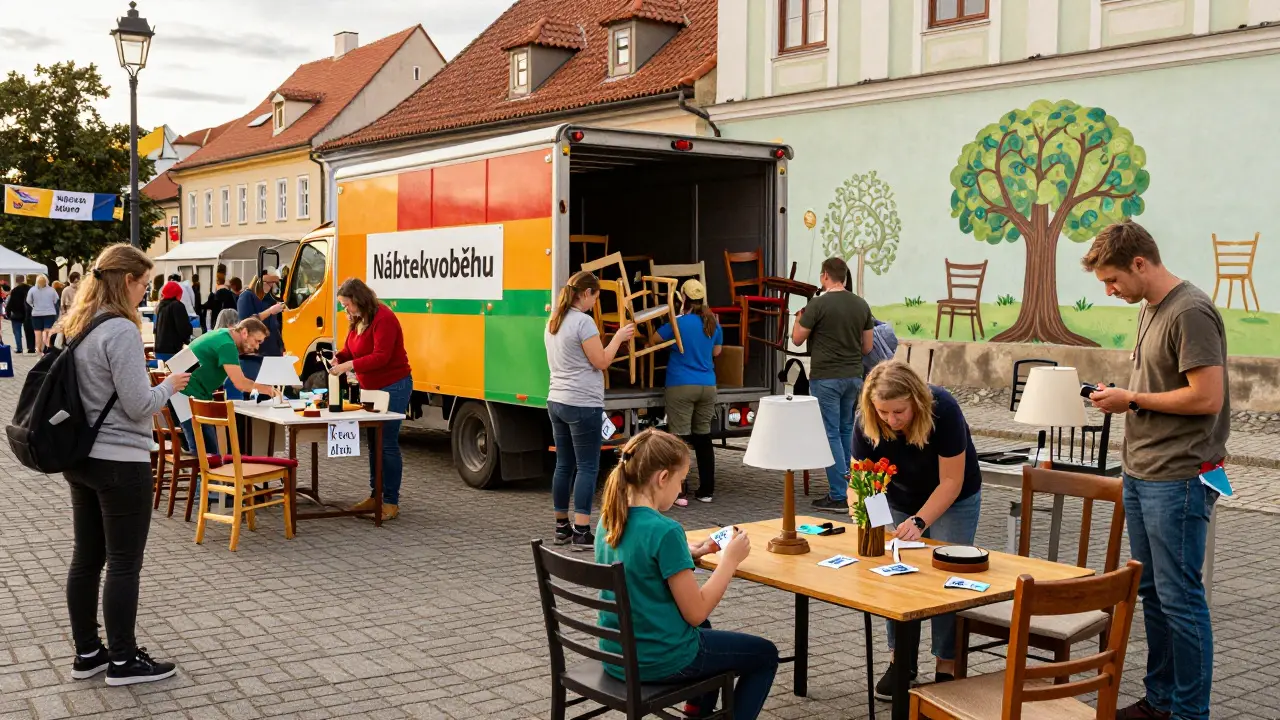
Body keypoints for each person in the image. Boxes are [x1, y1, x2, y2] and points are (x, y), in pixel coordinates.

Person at [1081, 221, 1226, 720]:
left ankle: (1189, 712)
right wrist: (1121, 396)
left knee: (1181, 600)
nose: (1109, 291)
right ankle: (1160, 701)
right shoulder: (1150, 308)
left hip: (1179, 477)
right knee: (1155, 595)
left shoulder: (1191, 310)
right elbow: (1163, 386)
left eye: (1113, 280)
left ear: (1140, 263)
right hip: (1142, 474)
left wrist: (1133, 398)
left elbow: (1207, 397)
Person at [60, 243, 189, 686]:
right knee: (123, 563)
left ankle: (88, 653)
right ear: (126, 281)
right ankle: (122, 660)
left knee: (86, 560)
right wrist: (170, 385)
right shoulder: (120, 331)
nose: (146, 293)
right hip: (121, 461)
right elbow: (138, 405)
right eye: (144, 284)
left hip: (83, 458)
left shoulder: (78, 326)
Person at [596, 429, 778, 719]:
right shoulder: (666, 531)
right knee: (765, 654)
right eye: (681, 480)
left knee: (705, 629)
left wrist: (689, 553)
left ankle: (696, 712)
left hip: (618, 655)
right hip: (660, 659)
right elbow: (695, 611)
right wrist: (728, 562)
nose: (682, 490)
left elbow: (640, 564)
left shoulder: (610, 519)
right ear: (662, 478)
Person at [852, 361, 983, 699]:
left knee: (947, 578)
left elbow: (951, 481)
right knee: (898, 577)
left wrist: (920, 521)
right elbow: (861, 482)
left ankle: (946, 664)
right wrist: (871, 521)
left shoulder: (945, 410)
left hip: (954, 496)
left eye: (899, 412)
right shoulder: (867, 418)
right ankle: (901, 662)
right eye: (884, 412)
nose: (892, 421)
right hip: (900, 495)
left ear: (917, 401)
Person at [545, 270, 635, 550]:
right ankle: (582, 530)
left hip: (556, 400)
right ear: (585, 294)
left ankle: (562, 527)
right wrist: (619, 337)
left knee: (563, 464)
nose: (595, 303)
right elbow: (602, 361)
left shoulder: (553, 322)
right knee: (587, 466)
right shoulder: (583, 323)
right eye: (595, 297)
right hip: (582, 402)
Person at [791, 257, 875, 513]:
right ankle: (852, 490)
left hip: (826, 377)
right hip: (854, 376)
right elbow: (867, 347)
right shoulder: (861, 305)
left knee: (829, 434)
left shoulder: (817, 304)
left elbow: (796, 339)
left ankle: (839, 494)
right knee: (846, 430)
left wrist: (798, 319)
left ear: (825, 275)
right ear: (846, 277)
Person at [329, 278, 413, 521]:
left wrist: (348, 365)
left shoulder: (384, 318)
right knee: (373, 442)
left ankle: (390, 500)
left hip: (393, 386)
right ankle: (375, 494)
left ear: (358, 300)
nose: (345, 310)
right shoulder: (357, 320)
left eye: (347, 305)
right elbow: (349, 349)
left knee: (386, 443)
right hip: (370, 388)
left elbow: (381, 357)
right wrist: (338, 358)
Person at [648, 279, 722, 505]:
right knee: (703, 438)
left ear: (684, 299)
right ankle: (706, 490)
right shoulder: (713, 323)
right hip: (707, 385)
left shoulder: (677, 322)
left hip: (681, 385)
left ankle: (679, 492)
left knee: (679, 440)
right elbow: (717, 352)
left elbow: (653, 340)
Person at [177, 318, 278, 457]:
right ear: (244, 332)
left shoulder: (224, 334)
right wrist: (267, 389)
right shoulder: (227, 345)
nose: (257, 347)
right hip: (186, 393)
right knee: (207, 454)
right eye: (257, 341)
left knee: (206, 451)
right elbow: (240, 383)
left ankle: (208, 477)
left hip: (184, 391)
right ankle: (207, 478)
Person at [237, 269, 285, 357]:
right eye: (269, 283)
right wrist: (270, 311)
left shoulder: (269, 299)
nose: (271, 286)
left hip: (274, 349)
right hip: (259, 351)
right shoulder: (247, 296)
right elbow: (246, 323)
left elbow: (275, 326)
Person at [152, 281, 192, 367]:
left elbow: (155, 329)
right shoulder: (177, 306)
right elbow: (183, 329)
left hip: (159, 350)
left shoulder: (160, 306)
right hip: (173, 351)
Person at [27, 274, 60, 353]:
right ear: (47, 281)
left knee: (37, 332)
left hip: (36, 314)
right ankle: (47, 348)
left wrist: (34, 306)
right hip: (49, 313)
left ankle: (38, 349)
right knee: (47, 331)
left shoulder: (32, 290)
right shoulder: (52, 290)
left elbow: (28, 300)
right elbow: (56, 300)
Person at [5, 275, 30, 353]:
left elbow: (10, 303)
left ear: (16, 281)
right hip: (28, 313)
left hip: (16, 313)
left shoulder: (15, 290)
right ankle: (31, 347)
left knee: (17, 332)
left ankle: (19, 348)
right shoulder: (30, 288)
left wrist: (8, 313)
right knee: (29, 331)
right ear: (24, 280)